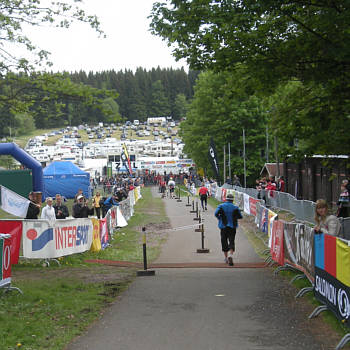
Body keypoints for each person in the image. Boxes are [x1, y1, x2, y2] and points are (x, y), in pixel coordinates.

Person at [214, 193, 243, 266]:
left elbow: (216, 213)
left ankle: (226, 257)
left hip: (223, 226)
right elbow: (240, 216)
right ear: (232, 200)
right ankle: (231, 255)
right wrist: (235, 217)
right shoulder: (235, 207)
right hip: (232, 226)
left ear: (226, 199)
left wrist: (219, 218)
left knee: (224, 241)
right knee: (231, 240)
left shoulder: (221, 206)